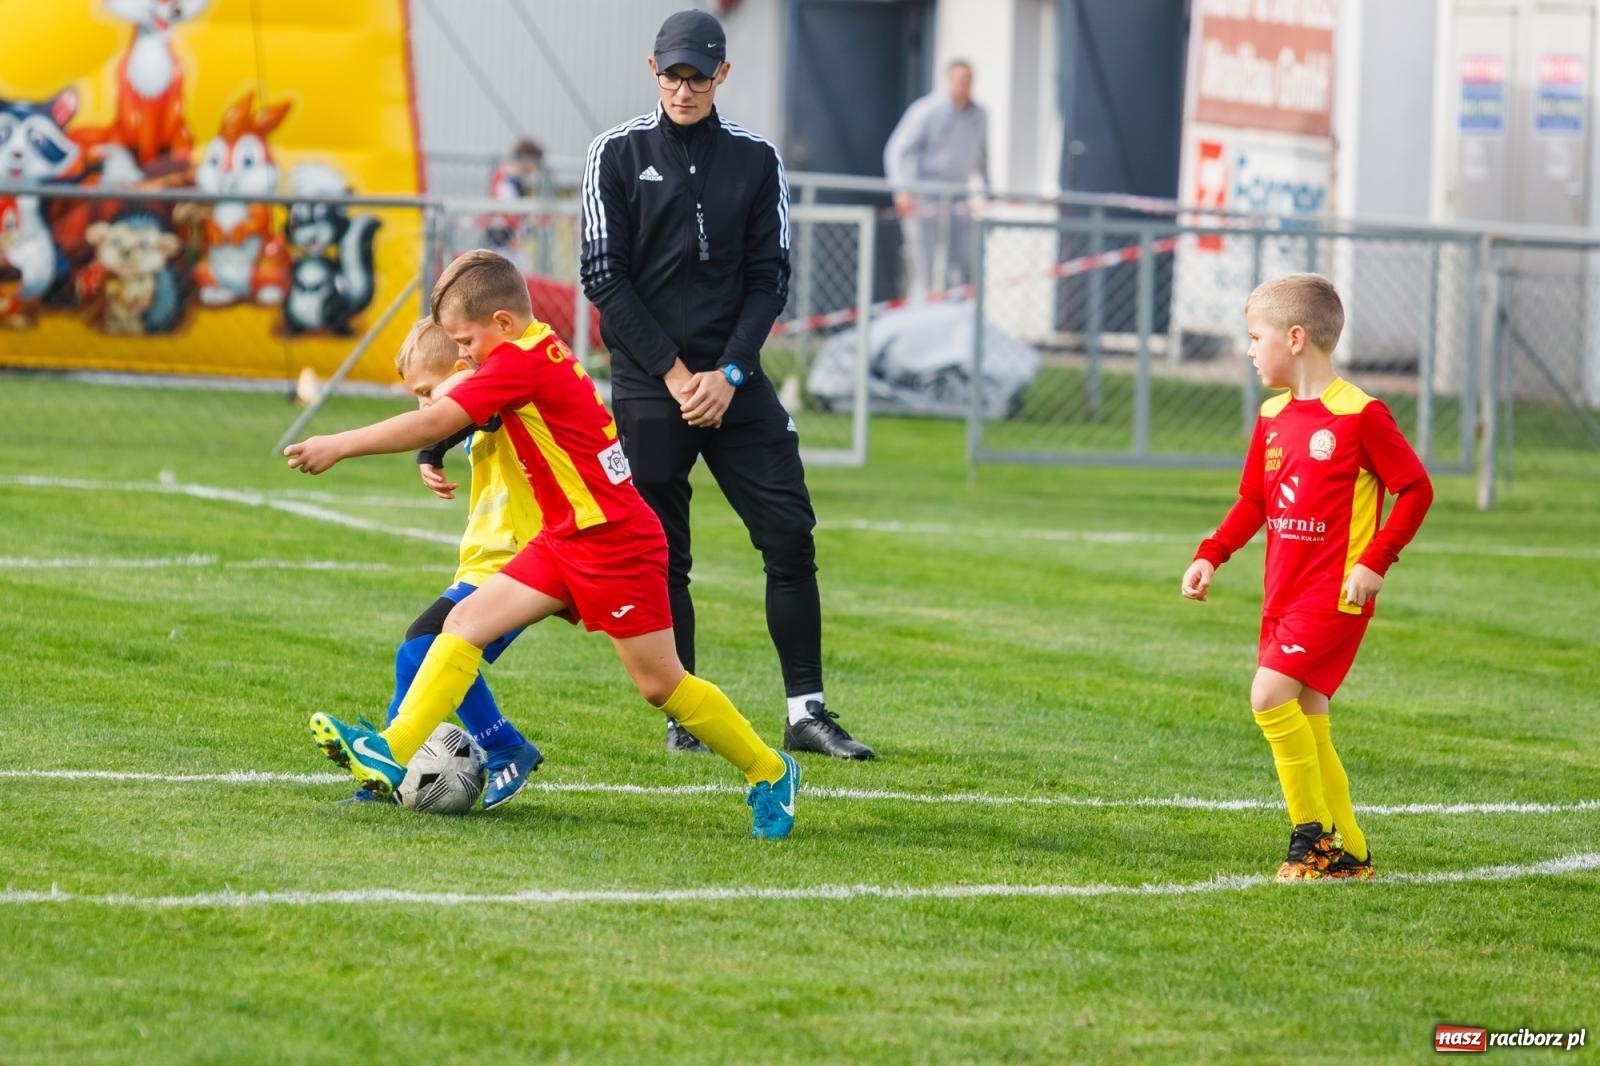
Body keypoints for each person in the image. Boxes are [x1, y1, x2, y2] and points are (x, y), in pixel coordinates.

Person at [286, 249, 801, 840]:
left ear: (503, 323)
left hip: (615, 544)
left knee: (662, 685)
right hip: (563, 539)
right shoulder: (532, 345)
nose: (463, 355)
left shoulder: (521, 361)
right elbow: (453, 407)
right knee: (461, 626)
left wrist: (338, 445)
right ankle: (391, 748)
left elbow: (433, 421)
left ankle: (770, 770)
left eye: (466, 341)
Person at [580, 8, 875, 761]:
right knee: (663, 555)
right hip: (653, 385)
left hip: (736, 382)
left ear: (722, 75)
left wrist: (731, 373)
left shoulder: (757, 158)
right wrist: (679, 375)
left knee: (790, 536)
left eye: (699, 76)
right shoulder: (614, 153)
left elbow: (769, 277)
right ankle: (689, 714)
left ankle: (806, 713)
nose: (684, 90)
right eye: (673, 75)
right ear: (653, 71)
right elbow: (604, 277)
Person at [1180, 273, 1434, 881]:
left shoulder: (1360, 415)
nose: (1248, 349)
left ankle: (1311, 837)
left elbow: (1416, 489)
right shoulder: (1272, 415)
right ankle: (1352, 852)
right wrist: (1212, 553)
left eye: (1254, 337)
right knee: (1310, 718)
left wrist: (1374, 561)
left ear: (1295, 339)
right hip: (1283, 594)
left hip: (1334, 594)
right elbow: (1254, 502)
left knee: (1267, 697)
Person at [334, 317, 545, 809]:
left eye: (427, 393)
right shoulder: (481, 405)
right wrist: (433, 448)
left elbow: (470, 409)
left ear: (462, 368)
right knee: (416, 654)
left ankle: (503, 744)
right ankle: (385, 774)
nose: (425, 408)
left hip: (522, 560)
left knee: (424, 646)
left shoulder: (496, 396)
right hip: (488, 562)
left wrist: (429, 441)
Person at [883, 59, 990, 301]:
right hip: (925, 197)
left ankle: (957, 314)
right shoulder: (926, 110)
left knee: (962, 264)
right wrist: (901, 190)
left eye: (968, 80)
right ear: (948, 80)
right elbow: (897, 150)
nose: (963, 85)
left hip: (959, 196)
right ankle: (920, 313)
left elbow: (983, 156)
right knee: (924, 266)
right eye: (959, 80)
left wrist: (987, 192)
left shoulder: (979, 115)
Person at [485, 137, 547, 270]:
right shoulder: (508, 179)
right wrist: (515, 234)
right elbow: (507, 210)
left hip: (507, 239)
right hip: (504, 240)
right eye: (535, 161)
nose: (536, 167)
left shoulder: (515, 179)